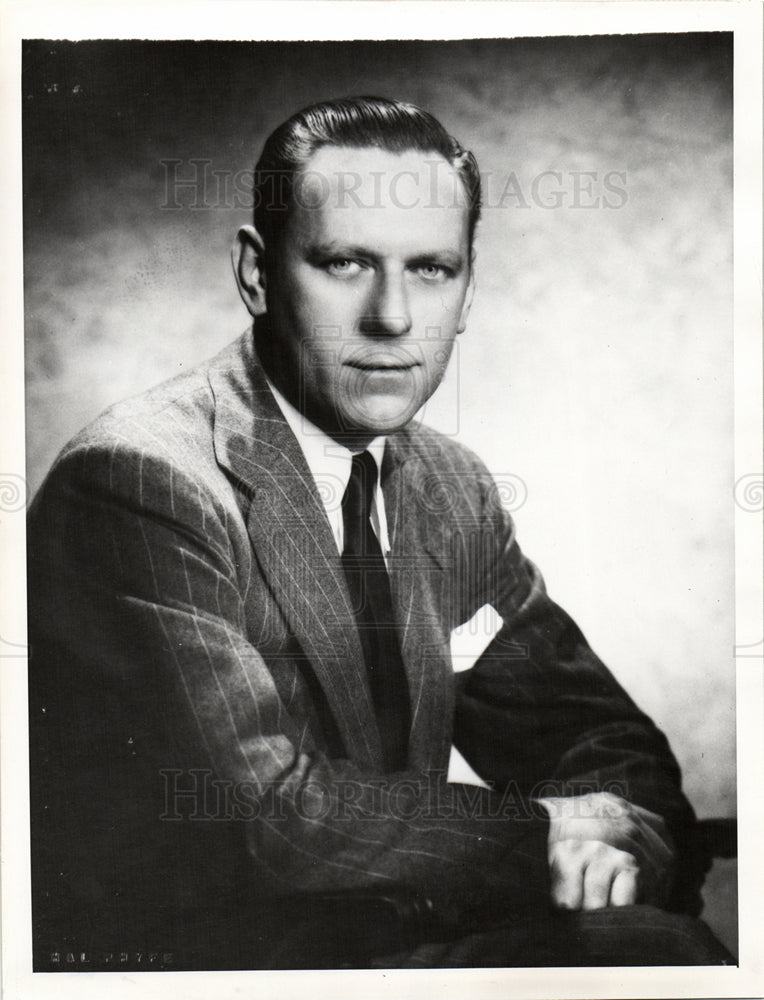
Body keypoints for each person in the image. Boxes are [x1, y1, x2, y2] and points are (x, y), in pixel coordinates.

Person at [26, 96, 730, 970]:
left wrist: (616, 844)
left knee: (659, 951)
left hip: (401, 945)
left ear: (469, 291)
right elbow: (260, 822)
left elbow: (593, 739)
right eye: (346, 262)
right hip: (212, 972)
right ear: (256, 273)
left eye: (432, 269)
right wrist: (546, 832)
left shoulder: (448, 490)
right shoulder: (140, 483)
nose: (393, 316)